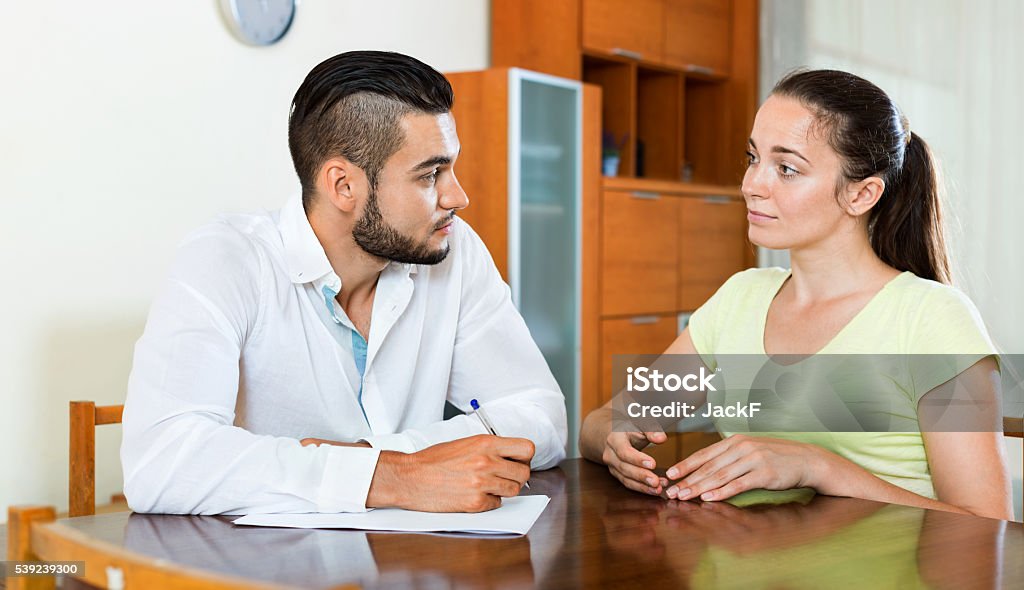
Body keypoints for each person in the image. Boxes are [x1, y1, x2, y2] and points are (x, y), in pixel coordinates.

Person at [121, 50, 567, 515]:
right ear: (343, 185)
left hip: (413, 563)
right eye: (431, 174)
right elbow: (162, 463)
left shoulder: (453, 250)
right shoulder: (226, 259)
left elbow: (542, 416)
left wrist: (388, 458)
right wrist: (394, 476)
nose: (458, 196)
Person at [580, 69, 1014, 520]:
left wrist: (818, 467)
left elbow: (988, 526)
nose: (751, 184)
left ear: (862, 194)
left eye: (786, 168)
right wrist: (616, 439)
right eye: (753, 158)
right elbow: (606, 421)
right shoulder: (740, 299)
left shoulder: (932, 318)